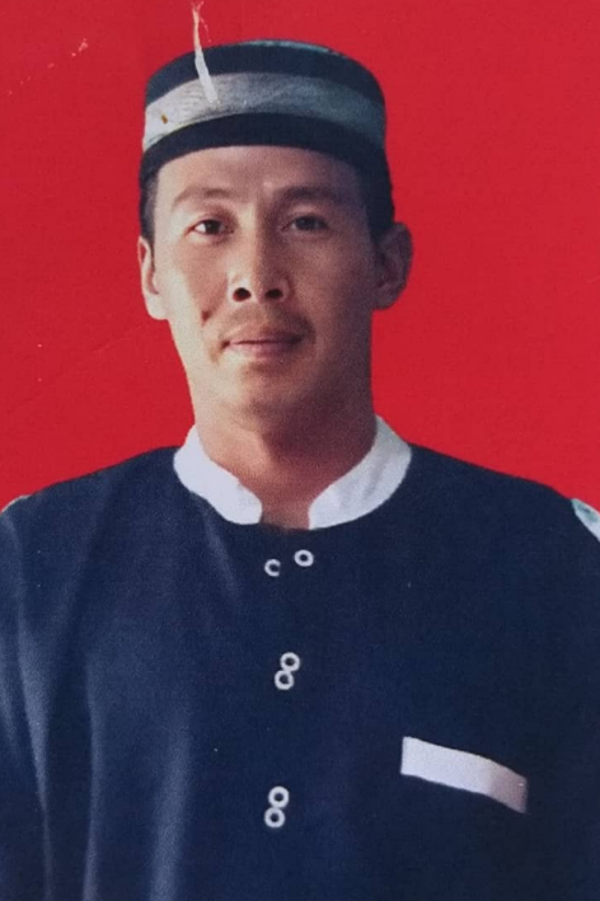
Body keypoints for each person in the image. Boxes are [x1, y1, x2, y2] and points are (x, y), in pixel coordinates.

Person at [1, 38, 599, 901]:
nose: (256, 276)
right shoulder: (32, 568)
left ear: (387, 262)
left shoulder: (556, 567)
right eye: (210, 227)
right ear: (151, 275)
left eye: (306, 222)